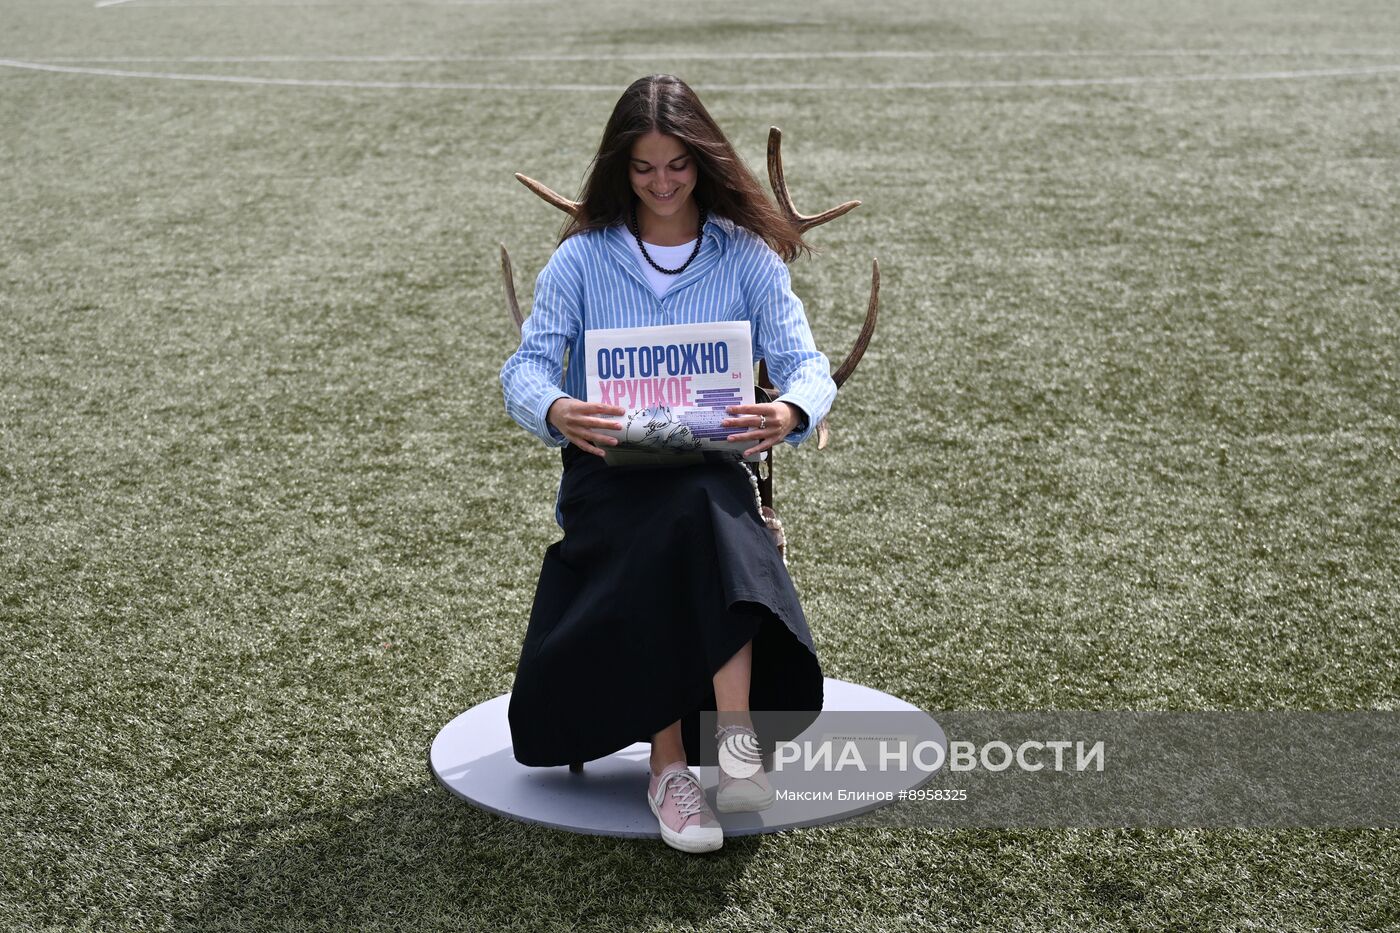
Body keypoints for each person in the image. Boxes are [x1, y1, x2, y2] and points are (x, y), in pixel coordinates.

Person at [499, 74, 836, 854]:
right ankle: (676, 763)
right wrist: (554, 408)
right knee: (679, 511)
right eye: (643, 168)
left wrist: (789, 411)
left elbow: (806, 362)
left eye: (677, 166)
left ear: (703, 161)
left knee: (700, 498)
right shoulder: (582, 260)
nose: (660, 183)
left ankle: (726, 744)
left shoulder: (745, 253)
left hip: (711, 467)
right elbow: (524, 369)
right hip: (608, 472)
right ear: (620, 168)